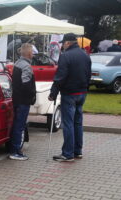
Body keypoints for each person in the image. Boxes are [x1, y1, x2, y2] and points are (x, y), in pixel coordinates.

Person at [48, 33, 91, 162]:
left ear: (67, 43)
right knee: (78, 122)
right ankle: (77, 151)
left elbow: (60, 77)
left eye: (63, 43)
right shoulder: (85, 55)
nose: (62, 45)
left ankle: (68, 153)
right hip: (82, 93)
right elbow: (88, 74)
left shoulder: (65, 56)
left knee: (68, 124)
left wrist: (53, 93)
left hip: (69, 94)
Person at [9, 43, 36, 161]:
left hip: (16, 99)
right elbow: (26, 84)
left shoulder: (17, 64)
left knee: (16, 124)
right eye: (32, 52)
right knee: (19, 126)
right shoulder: (26, 66)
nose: (33, 54)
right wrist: (32, 95)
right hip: (23, 101)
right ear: (29, 54)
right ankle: (16, 151)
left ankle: (14, 149)